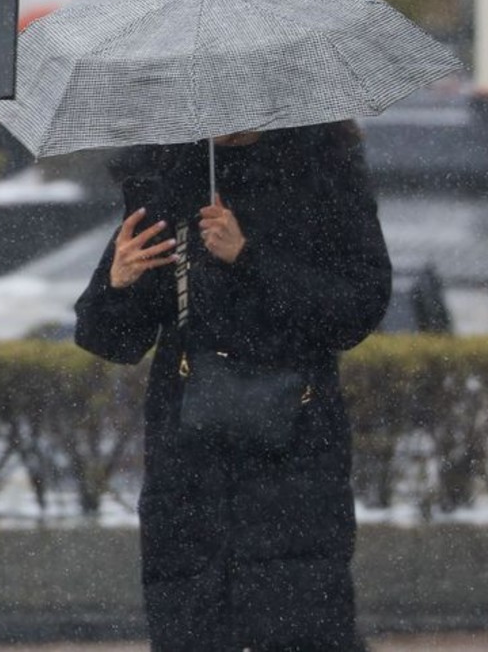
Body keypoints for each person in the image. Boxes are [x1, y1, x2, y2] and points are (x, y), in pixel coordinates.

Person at [74, 121, 391, 651]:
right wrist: (118, 283)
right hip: (190, 462)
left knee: (302, 621)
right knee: (192, 622)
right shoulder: (167, 180)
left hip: (296, 452)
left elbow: (354, 312)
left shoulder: (324, 175)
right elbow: (114, 341)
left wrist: (247, 258)